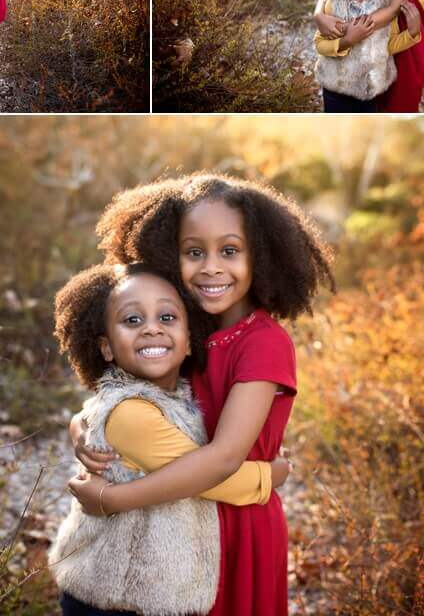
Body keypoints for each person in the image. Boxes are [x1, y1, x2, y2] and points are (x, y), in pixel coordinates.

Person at [69, 174, 335, 616]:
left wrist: (113, 499)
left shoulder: (263, 342)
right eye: (195, 252)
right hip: (179, 517)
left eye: (229, 251)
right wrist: (83, 432)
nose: (211, 267)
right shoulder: (185, 327)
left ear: (261, 257)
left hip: (236, 517)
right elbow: (119, 400)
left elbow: (226, 456)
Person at [50, 263, 291, 616]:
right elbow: (215, 479)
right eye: (132, 320)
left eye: (167, 318)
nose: (151, 329)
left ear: (190, 340)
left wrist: (80, 426)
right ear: (106, 348)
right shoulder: (133, 413)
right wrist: (272, 474)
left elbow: (88, 414)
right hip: (116, 599)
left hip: (150, 593)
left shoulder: (175, 393)